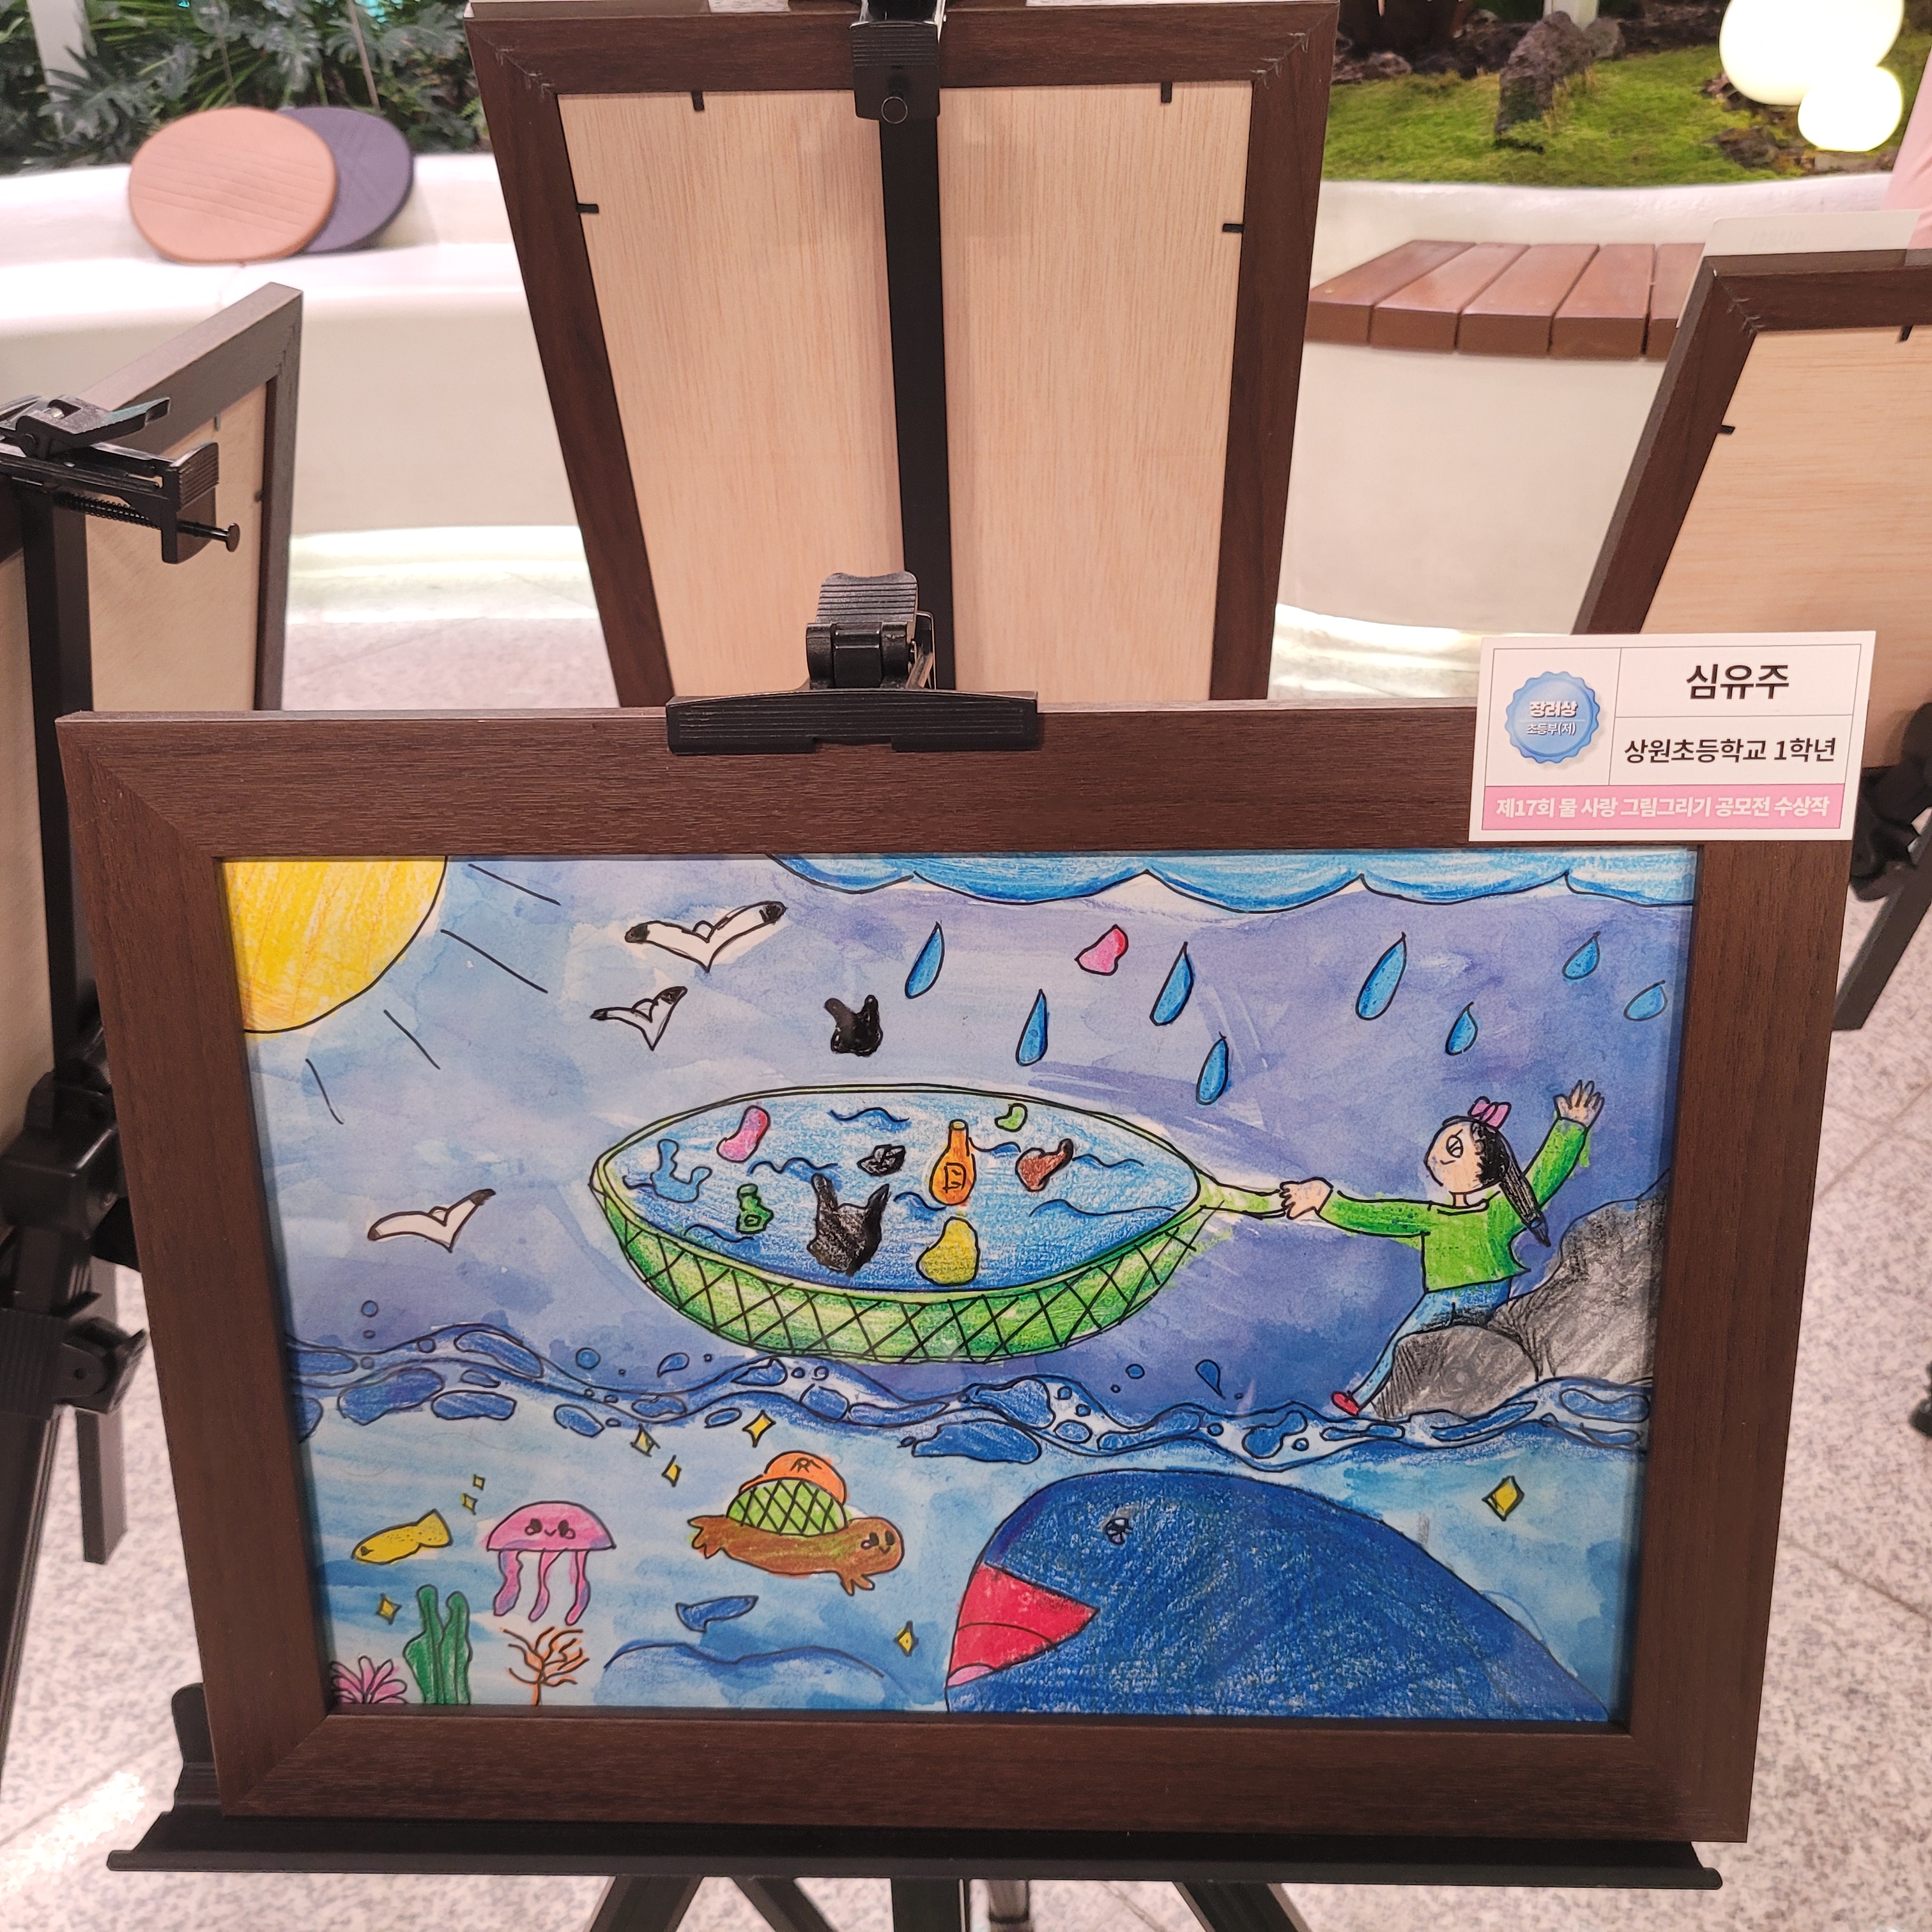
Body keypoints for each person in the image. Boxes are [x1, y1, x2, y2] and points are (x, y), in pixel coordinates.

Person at [1280, 1080, 1605, 1416]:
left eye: (1455, 1148)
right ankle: (1360, 1399)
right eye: (1443, 1143)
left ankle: (1375, 1398)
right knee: (1404, 1342)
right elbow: (1379, 1217)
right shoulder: (1433, 1217)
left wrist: (1570, 1128)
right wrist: (1325, 1201)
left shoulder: (1496, 1215)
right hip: (1442, 1295)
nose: (1438, 1155)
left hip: (1484, 1292)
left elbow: (1540, 1180)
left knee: (1453, 1347)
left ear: (1485, 1169)